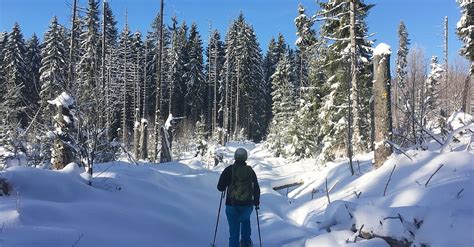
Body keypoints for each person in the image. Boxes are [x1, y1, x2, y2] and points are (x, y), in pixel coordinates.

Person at [217, 148, 260, 247]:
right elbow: (256, 188)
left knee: (234, 231)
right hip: (247, 205)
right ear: (245, 157)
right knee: (245, 222)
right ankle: (246, 244)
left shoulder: (228, 170)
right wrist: (256, 202)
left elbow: (220, 187)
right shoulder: (250, 171)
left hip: (231, 204)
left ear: (235, 156)